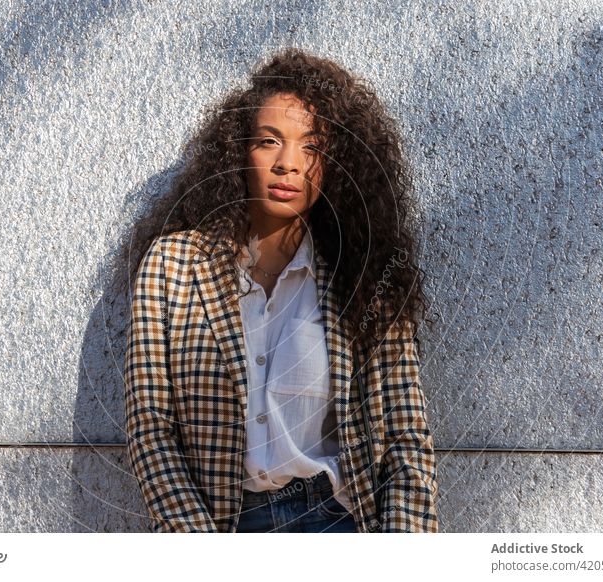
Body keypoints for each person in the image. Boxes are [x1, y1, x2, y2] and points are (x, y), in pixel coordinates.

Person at [124, 48, 438, 533]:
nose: (288, 164)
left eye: (312, 147)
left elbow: (403, 438)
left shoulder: (363, 275)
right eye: (269, 141)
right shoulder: (173, 266)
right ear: (238, 152)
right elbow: (151, 429)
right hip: (223, 526)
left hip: (336, 522)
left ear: (337, 165)